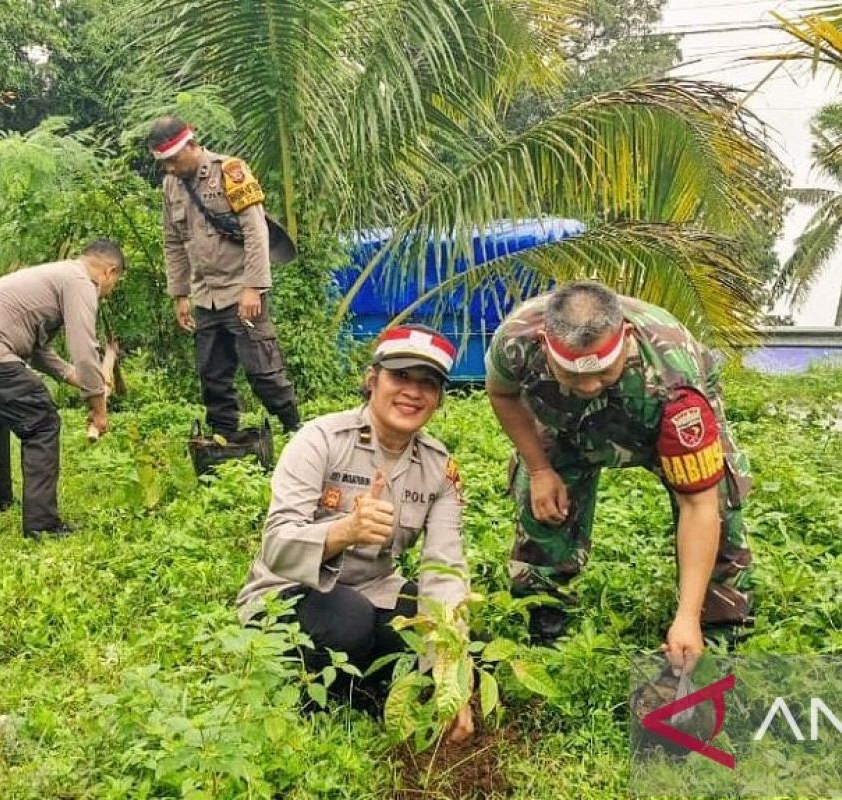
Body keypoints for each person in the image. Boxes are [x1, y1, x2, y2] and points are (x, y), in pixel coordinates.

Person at [485, 281, 754, 669]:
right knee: (542, 502)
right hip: (564, 420)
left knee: (719, 503)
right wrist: (540, 469)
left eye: (601, 373)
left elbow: (698, 505)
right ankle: (546, 621)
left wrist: (687, 617)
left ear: (625, 337)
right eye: (574, 375)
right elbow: (502, 393)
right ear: (545, 344)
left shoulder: (675, 376)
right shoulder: (515, 341)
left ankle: (715, 630)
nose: (590, 386)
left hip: (652, 400)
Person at [237, 324, 474, 742]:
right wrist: (344, 531)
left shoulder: (439, 468)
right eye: (400, 376)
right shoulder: (321, 440)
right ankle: (314, 701)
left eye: (428, 383)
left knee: (432, 627)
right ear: (372, 379)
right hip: (286, 593)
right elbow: (276, 547)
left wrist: (450, 674)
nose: (412, 393)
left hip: (373, 588)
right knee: (347, 618)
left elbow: (444, 569)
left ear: (438, 398)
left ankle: (363, 688)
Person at [0, 240, 125, 538]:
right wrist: (98, 408)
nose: (110, 290)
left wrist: (74, 377)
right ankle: (43, 525)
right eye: (116, 283)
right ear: (110, 271)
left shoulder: (57, 275)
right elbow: (84, 350)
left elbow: (37, 350)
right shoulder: (82, 282)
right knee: (41, 420)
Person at [148, 116, 300, 439]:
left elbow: (256, 231)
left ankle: (293, 426)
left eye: (173, 160)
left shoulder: (230, 171)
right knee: (212, 374)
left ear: (191, 145)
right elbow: (172, 240)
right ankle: (223, 438)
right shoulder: (170, 186)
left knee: (262, 369)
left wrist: (254, 288)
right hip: (205, 295)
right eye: (164, 163)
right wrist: (179, 295)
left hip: (240, 289)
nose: (170, 168)